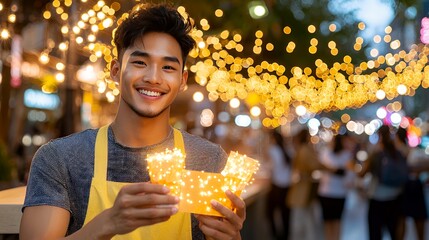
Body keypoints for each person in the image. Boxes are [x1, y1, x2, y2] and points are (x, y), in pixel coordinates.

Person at [20, 3, 245, 240]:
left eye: (168, 67)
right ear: (116, 71)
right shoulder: (60, 159)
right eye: (140, 63)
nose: (153, 78)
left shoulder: (210, 162)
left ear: (182, 80)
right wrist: (107, 224)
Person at [358, 125, 406, 240]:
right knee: (394, 232)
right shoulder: (397, 151)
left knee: (375, 233)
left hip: (377, 198)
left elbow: (362, 173)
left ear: (378, 135)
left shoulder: (375, 152)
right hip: (395, 197)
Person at [317, 133, 355, 240]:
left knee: (327, 221)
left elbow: (320, 171)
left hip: (325, 191)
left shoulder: (325, 154)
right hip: (340, 193)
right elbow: (350, 177)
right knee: (337, 221)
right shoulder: (347, 156)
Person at [395, 127, 427, 240]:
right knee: (419, 219)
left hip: (403, 187)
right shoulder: (411, 150)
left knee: (401, 219)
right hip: (414, 185)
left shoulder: (397, 150)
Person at [265, 129, 292, 240]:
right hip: (287, 185)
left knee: (269, 212)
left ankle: (276, 235)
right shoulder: (288, 150)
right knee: (286, 214)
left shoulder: (273, 150)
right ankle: (285, 236)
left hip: (276, 186)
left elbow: (270, 167)